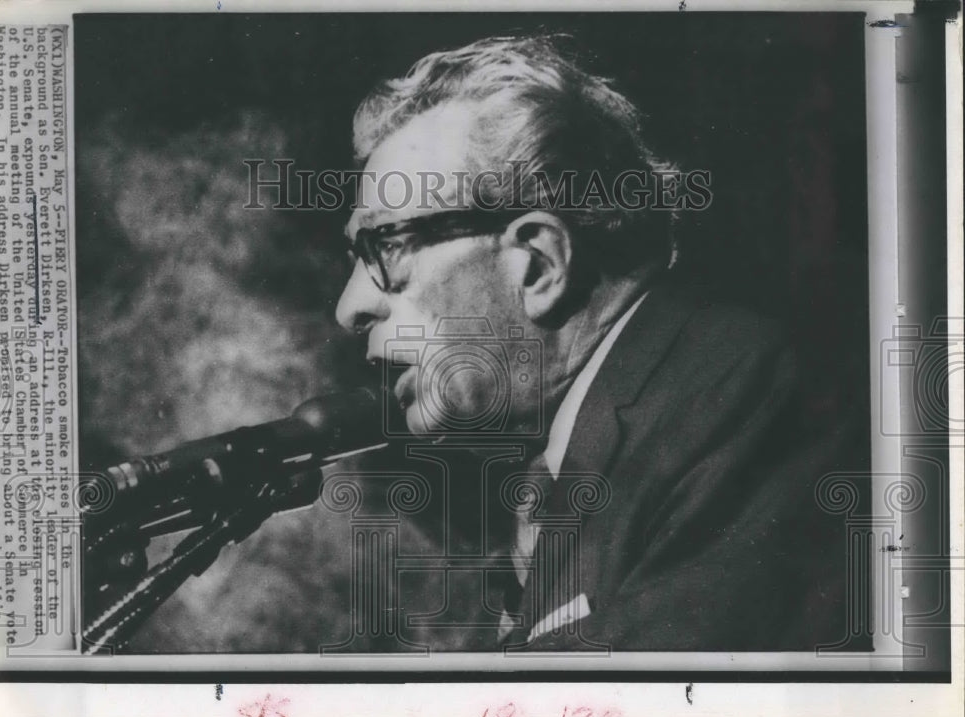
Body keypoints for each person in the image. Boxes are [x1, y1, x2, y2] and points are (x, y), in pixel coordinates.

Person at [333, 35, 856, 651]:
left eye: (386, 248)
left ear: (537, 263)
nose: (350, 308)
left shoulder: (742, 395)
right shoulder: (581, 466)